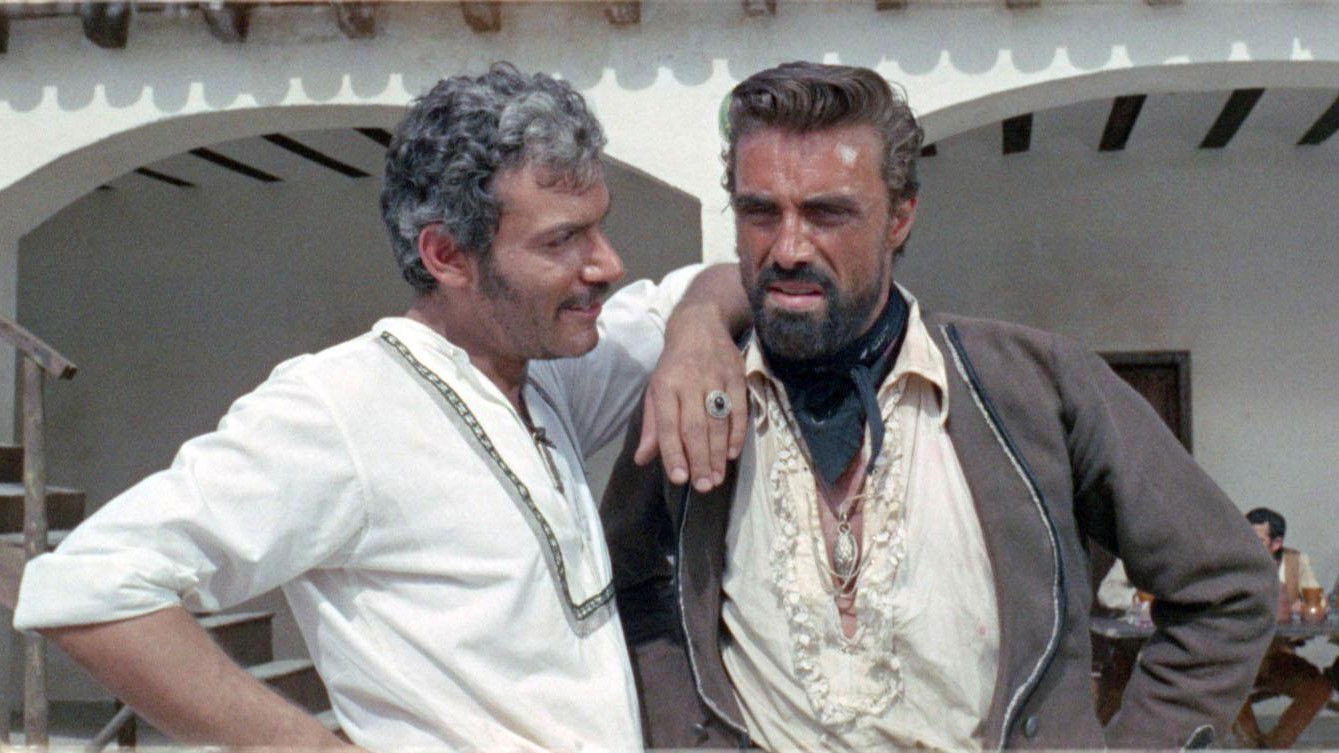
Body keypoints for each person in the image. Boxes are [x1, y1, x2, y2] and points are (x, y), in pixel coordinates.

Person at [12, 63, 750, 752]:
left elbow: (719, 281)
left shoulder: (552, 380)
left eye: (598, 225)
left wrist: (696, 330)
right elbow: (88, 587)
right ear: (446, 255)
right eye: (562, 240)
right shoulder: (340, 410)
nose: (608, 263)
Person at [601, 61, 1277, 751]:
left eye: (828, 213)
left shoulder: (1034, 385)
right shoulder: (693, 394)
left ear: (898, 218)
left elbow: (1226, 588)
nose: (789, 247)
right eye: (759, 212)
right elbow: (631, 587)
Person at [1234, 507, 1334, 748]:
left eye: (1258, 541)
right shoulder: (1233, 564)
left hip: (1277, 655)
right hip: (1240, 659)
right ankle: (1251, 744)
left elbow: (1316, 599)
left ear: (1276, 543)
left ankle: (1276, 744)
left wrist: (1306, 606)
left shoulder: (1294, 562)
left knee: (1319, 687)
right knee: (1225, 684)